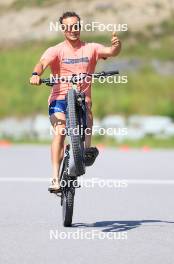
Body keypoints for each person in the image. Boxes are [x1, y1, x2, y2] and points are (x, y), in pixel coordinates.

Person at [30, 11, 121, 191]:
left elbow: (111, 52)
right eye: (68, 27)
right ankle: (55, 178)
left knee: (88, 112)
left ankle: (85, 151)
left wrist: (116, 46)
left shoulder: (91, 48)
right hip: (59, 100)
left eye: (76, 26)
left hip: (82, 100)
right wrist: (35, 75)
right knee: (61, 131)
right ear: (63, 29)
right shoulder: (55, 50)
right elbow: (41, 64)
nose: (73, 30)